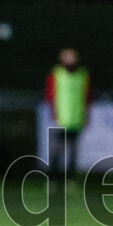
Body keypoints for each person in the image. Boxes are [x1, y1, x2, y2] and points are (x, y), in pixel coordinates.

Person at [45, 47, 93, 182]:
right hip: (61, 119)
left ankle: (71, 179)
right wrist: (54, 113)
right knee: (57, 149)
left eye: (72, 57)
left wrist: (87, 115)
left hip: (77, 118)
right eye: (67, 57)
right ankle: (53, 179)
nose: (70, 60)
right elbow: (50, 96)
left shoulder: (83, 74)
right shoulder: (56, 74)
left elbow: (88, 96)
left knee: (73, 150)